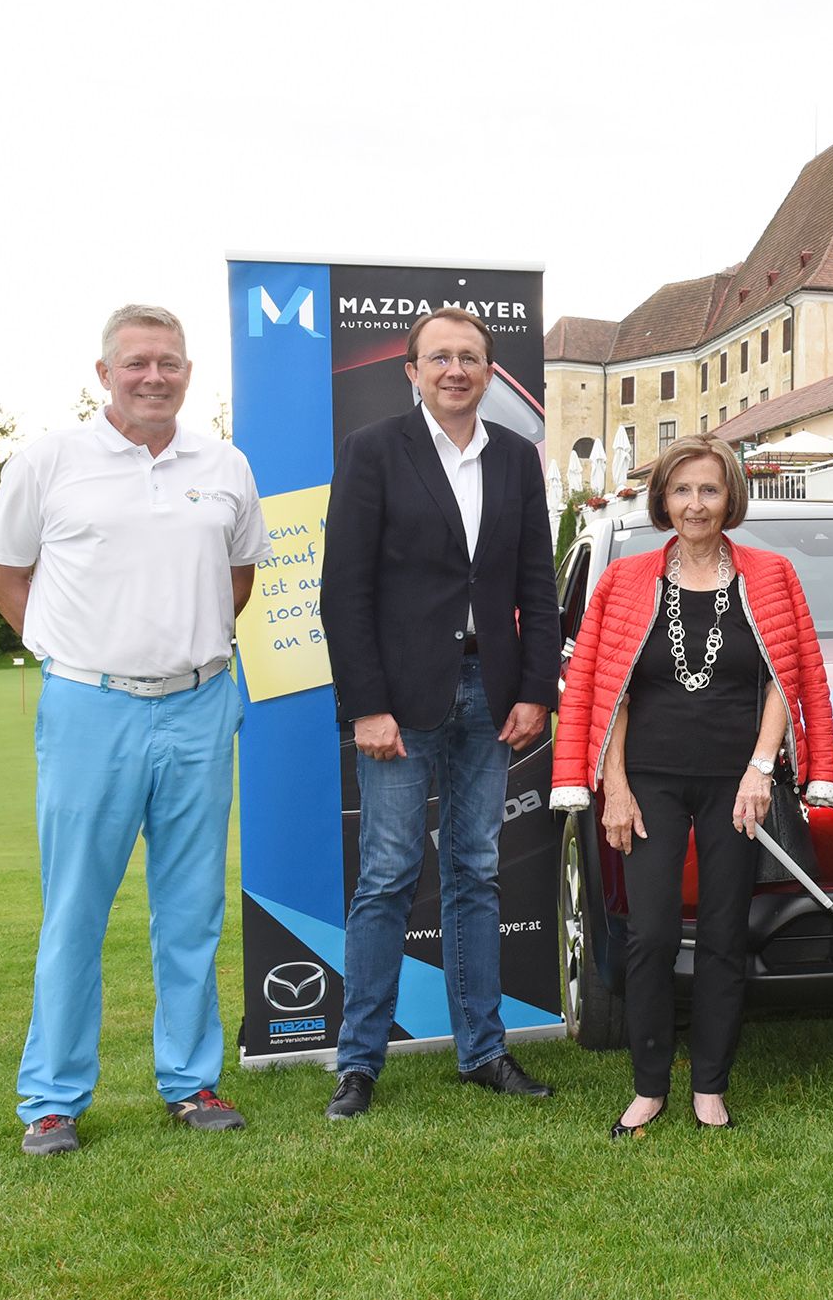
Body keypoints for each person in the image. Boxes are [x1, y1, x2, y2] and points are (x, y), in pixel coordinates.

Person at [0, 304, 272, 1155]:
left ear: (188, 372)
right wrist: (69, 652)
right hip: (90, 709)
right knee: (75, 908)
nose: (155, 376)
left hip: (200, 703)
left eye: (170, 363)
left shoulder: (224, 463)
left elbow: (238, 576)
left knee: (191, 910)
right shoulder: (48, 460)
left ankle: (191, 1083)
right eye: (138, 362)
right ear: (103, 373)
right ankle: (53, 1099)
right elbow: (4, 574)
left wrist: (188, 650)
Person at [550, 435, 833, 1133]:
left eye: (709, 490)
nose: (695, 504)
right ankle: (649, 1086)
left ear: (729, 497)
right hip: (649, 780)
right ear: (664, 499)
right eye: (682, 490)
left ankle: (710, 1084)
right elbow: (606, 687)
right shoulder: (625, 579)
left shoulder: (771, 575)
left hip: (737, 783)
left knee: (722, 933)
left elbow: (788, 674)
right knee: (648, 934)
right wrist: (612, 785)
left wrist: (761, 769)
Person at [320, 306, 561, 1119]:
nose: (456, 369)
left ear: (490, 370)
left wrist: (535, 690)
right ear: (412, 371)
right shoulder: (372, 453)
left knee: (477, 873)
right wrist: (367, 708)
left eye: (471, 357)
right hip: (399, 703)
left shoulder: (521, 461)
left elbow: (538, 586)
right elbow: (342, 592)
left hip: (489, 696)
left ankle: (483, 1053)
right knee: (387, 876)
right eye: (440, 357)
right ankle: (358, 1064)